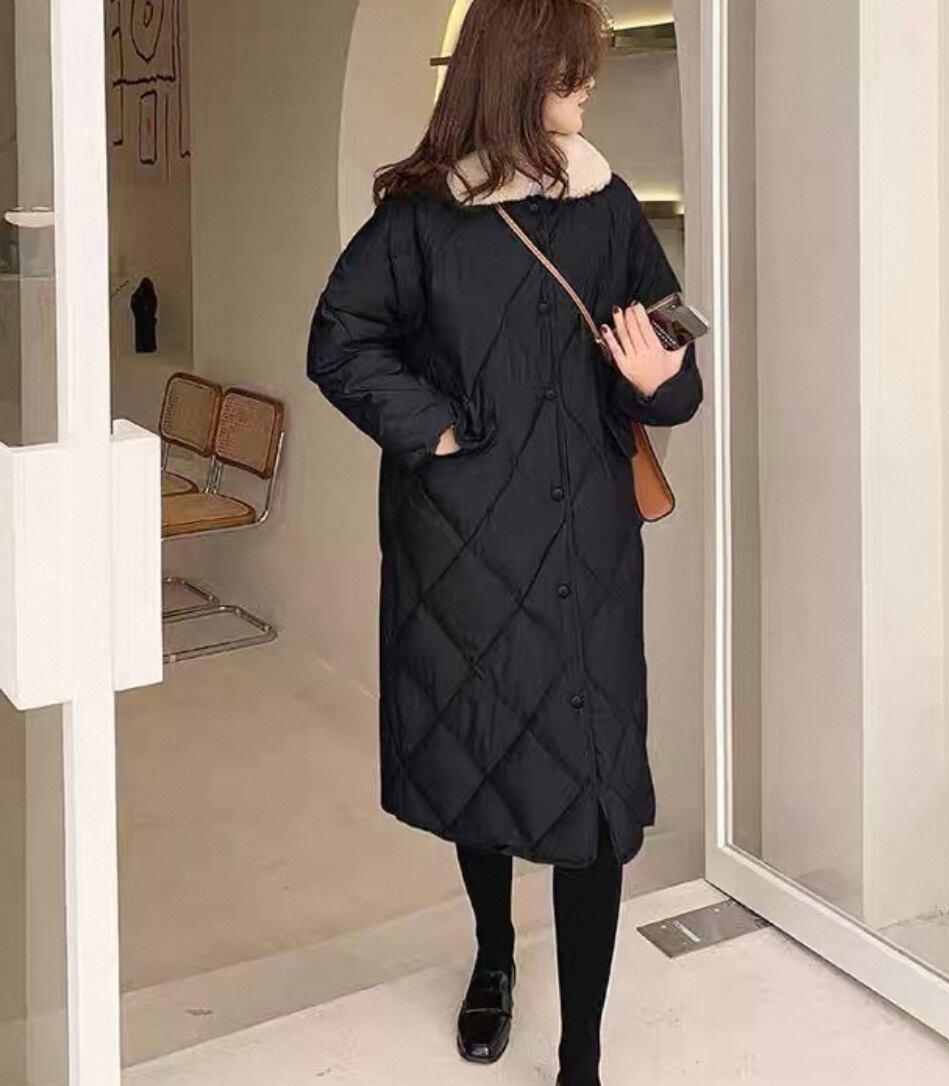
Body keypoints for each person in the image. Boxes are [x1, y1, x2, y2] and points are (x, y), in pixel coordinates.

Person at [305, 1, 704, 1082]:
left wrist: (661, 380)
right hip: (463, 549)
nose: (589, 87)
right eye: (573, 69)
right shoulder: (422, 217)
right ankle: (493, 953)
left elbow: (673, 372)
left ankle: (581, 1059)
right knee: (482, 755)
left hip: (588, 550)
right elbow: (339, 341)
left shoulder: (607, 204)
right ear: (521, 71)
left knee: (594, 796)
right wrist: (434, 426)